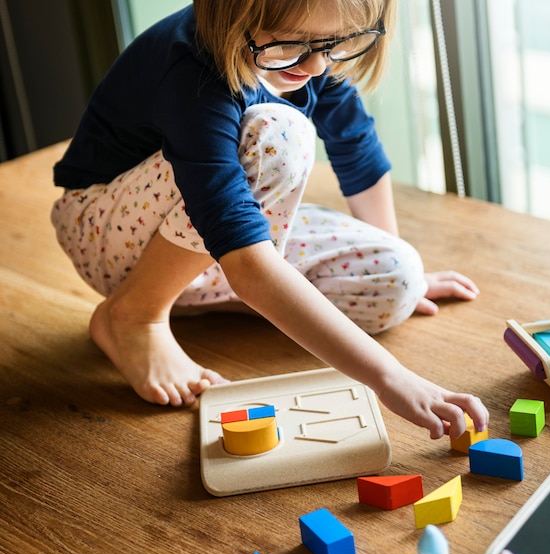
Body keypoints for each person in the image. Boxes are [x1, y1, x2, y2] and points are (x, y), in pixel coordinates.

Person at [51, 0, 489, 439]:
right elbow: (245, 261)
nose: (317, 65)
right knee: (278, 136)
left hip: (210, 232)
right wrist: (390, 377)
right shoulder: (194, 70)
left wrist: (397, 250)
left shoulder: (312, 47)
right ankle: (136, 313)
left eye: (336, 44)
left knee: (400, 278)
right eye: (295, 42)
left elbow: (356, 147)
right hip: (108, 233)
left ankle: (237, 298)